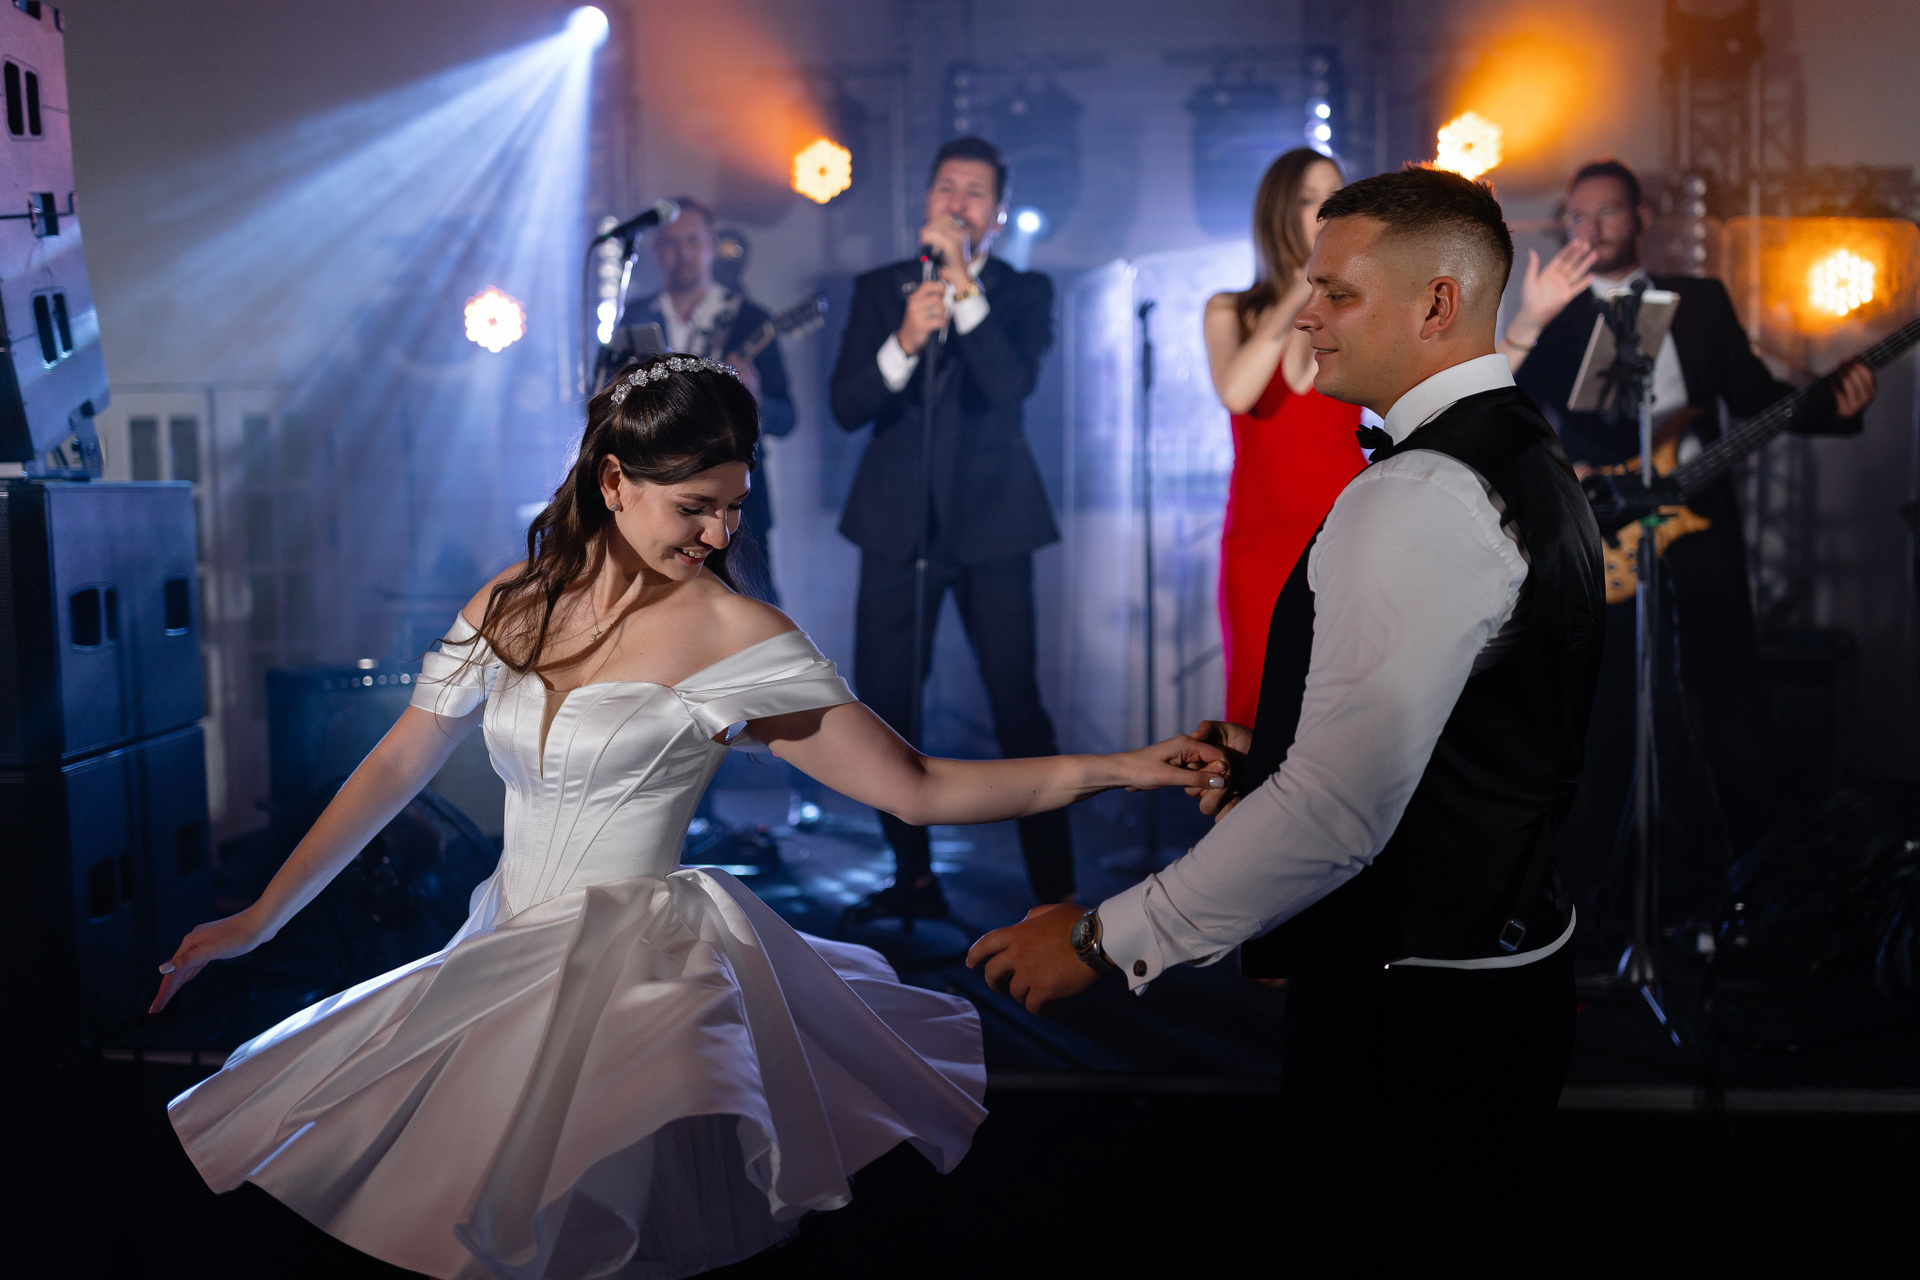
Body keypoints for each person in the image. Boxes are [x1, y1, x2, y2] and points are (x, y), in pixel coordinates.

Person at [156, 353, 1224, 1280]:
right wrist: (257, 918)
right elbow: (397, 763)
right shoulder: (510, 602)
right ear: (614, 482)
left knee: (612, 1237)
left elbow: (919, 786)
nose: (720, 532)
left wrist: (1126, 767)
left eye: (735, 506)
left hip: (636, 976)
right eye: (696, 507)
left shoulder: (737, 635)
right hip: (499, 950)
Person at [969, 167, 1607, 1257]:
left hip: (1416, 1012)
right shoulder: (1521, 447)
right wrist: (1272, 753)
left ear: (1437, 305)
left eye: (1337, 292)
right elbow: (1468, 728)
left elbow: (1332, 815)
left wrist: (1099, 937)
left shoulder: (1418, 494)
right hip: (1499, 976)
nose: (1307, 315)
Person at [1500, 157, 1876, 901]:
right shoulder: (1557, 315)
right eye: (1577, 215)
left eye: (1608, 211)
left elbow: (1754, 396)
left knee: (1729, 692)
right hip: (1605, 525)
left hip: (1700, 513)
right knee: (1602, 706)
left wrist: (1835, 408)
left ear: (1641, 217)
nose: (1591, 228)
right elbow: (1511, 415)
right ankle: (1590, 904)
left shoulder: (1700, 301)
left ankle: (1765, 892)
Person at [830, 136, 1067, 923]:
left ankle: (1055, 893)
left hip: (995, 523)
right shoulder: (880, 289)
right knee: (887, 708)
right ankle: (914, 877)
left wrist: (965, 291)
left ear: (996, 215)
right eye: (946, 188)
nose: (956, 203)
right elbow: (845, 405)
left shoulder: (1025, 291)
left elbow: (1009, 384)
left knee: (1017, 707)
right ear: (926, 200)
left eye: (974, 192)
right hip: (897, 526)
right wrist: (903, 340)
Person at [1204, 147, 1365, 726]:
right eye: (1307, 200)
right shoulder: (1229, 310)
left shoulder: (1358, 311)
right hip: (1261, 540)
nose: (1324, 211)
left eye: (1335, 197)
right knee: (1260, 704)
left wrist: (1526, 325)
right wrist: (1297, 294)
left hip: (1349, 529)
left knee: (1347, 709)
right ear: (1279, 211)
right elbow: (1237, 392)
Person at [617, 196, 795, 599]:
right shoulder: (634, 317)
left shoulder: (750, 319)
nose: (681, 253)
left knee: (752, 607)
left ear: (713, 245)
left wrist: (755, 398)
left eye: (692, 241)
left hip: (735, 506)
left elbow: (787, 418)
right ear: (655, 250)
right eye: (670, 243)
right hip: (656, 496)